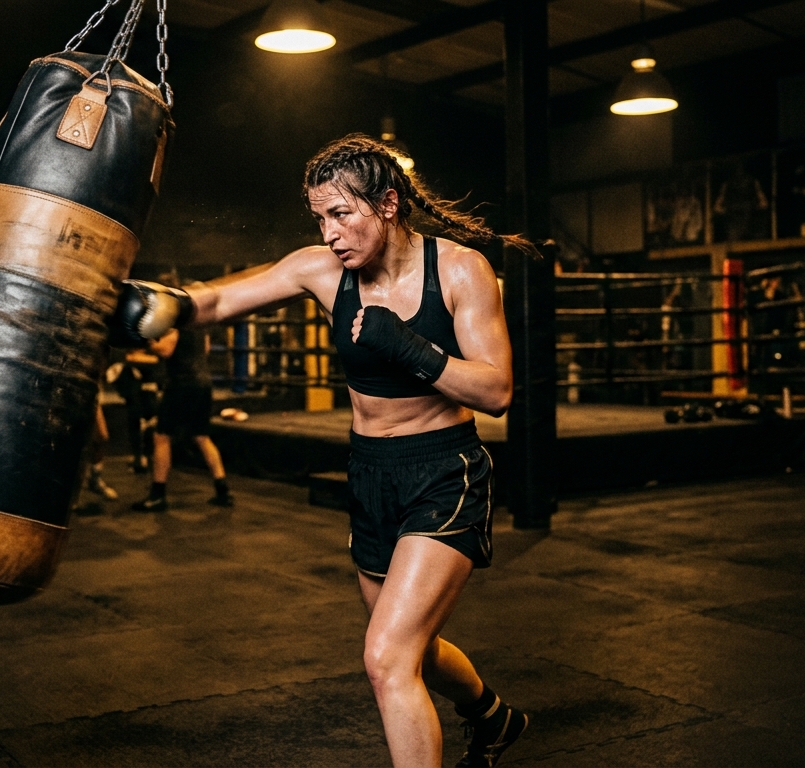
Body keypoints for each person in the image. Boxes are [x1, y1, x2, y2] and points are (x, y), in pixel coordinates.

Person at [113, 134, 529, 767]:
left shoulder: (459, 269)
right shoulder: (321, 269)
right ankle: (491, 716)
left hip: (443, 474)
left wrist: (412, 348)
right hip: (370, 476)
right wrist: (161, 305)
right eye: (320, 218)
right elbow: (221, 299)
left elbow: (496, 389)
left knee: (387, 658)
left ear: (388, 204)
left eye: (342, 214)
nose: (330, 233)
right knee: (414, 646)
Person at [130, 319, 233, 511]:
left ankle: (158, 495)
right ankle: (223, 490)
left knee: (161, 436)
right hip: (204, 384)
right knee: (201, 436)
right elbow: (206, 350)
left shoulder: (176, 324)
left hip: (182, 384)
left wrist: (149, 341)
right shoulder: (201, 327)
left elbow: (166, 350)